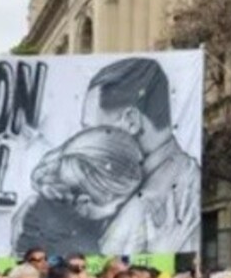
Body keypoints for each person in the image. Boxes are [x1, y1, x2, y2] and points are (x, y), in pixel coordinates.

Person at [80, 57, 201, 253]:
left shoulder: (149, 204)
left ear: (131, 121)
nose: (86, 145)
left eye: (92, 131)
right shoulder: (182, 173)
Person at [15, 127, 143, 257]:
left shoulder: (44, 206)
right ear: (85, 202)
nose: (118, 211)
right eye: (118, 205)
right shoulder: (80, 247)